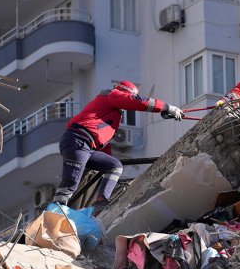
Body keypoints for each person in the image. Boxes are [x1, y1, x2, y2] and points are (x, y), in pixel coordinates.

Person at [53, 81, 184, 206]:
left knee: (114, 166)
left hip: (84, 145)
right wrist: (167, 107)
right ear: (126, 93)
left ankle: (102, 201)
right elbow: (139, 102)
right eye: (131, 96)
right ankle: (54, 214)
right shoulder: (112, 95)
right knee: (70, 184)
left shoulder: (110, 112)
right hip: (78, 141)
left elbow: (103, 145)